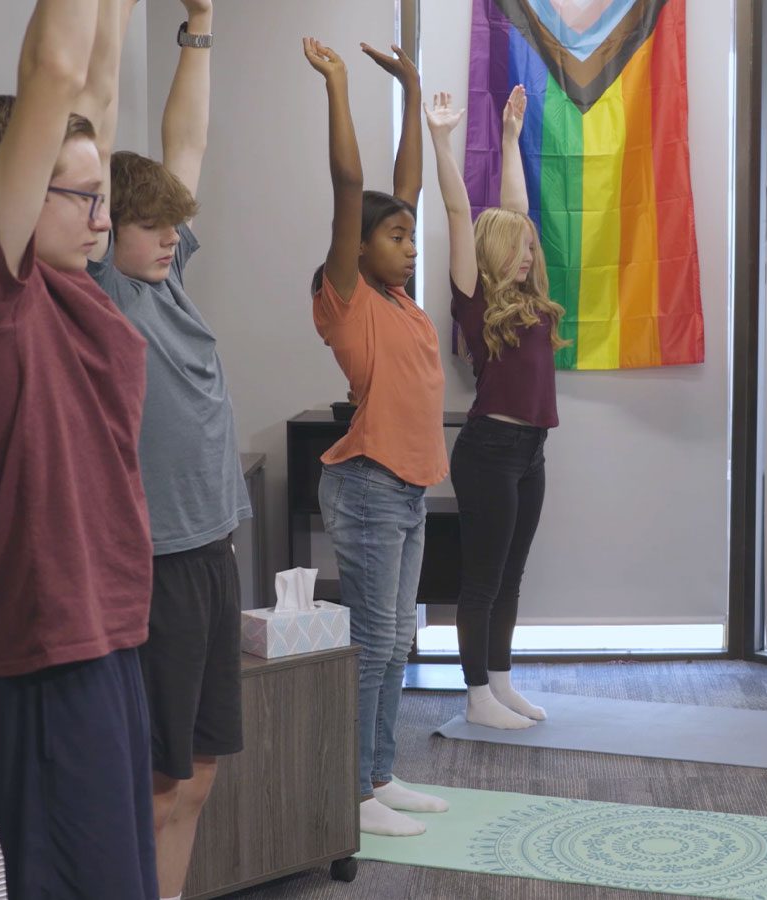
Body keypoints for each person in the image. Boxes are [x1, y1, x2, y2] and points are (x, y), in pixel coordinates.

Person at [0, 0, 160, 895]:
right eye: (81, 196)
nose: (103, 215)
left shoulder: (81, 290)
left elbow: (94, 83)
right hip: (46, 663)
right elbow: (56, 72)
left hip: (107, 646)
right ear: (19, 196)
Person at [84, 2, 249, 896]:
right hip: (157, 565)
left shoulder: (167, 274)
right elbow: (105, 110)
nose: (165, 238)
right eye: (149, 227)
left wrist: (198, 24)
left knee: (201, 774)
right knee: (155, 786)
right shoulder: (107, 284)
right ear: (113, 226)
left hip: (214, 550)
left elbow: (184, 145)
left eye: (170, 228)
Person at [303, 35, 451, 837]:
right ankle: (351, 793)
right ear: (357, 249)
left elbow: (399, 191)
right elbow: (353, 186)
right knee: (372, 641)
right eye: (396, 237)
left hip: (408, 487)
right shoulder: (347, 297)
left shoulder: (399, 299)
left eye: (411, 235)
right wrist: (337, 86)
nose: (411, 242)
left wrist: (413, 83)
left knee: (398, 641)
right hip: (366, 485)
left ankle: (379, 773)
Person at [426, 86, 569, 729]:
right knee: (482, 579)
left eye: (530, 249)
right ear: (492, 259)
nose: (528, 255)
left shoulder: (529, 299)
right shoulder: (475, 301)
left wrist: (511, 141)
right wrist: (441, 139)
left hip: (531, 451)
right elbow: (462, 213)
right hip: (487, 451)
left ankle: (502, 682)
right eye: (518, 251)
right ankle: (476, 693)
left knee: (512, 575)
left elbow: (515, 213)